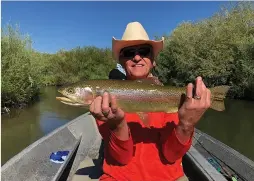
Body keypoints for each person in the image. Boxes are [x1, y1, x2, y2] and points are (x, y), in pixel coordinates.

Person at [89, 22, 211, 181]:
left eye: (144, 51)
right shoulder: (105, 102)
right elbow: (121, 158)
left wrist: (187, 124)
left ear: (153, 60)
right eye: (129, 52)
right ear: (121, 61)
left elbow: (171, 155)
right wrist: (118, 125)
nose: (137, 57)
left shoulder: (167, 97)